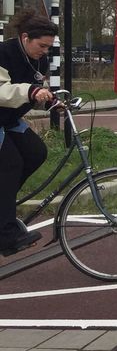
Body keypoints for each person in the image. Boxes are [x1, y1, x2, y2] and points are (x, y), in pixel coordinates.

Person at [0, 13, 57, 255]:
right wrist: (31, 91)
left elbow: (34, 92)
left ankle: (4, 206)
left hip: (9, 119)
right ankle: (6, 235)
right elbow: (3, 91)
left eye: (48, 47)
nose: (44, 51)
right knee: (10, 164)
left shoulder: (39, 61)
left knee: (36, 152)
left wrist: (49, 101)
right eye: (41, 45)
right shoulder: (3, 53)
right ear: (25, 38)